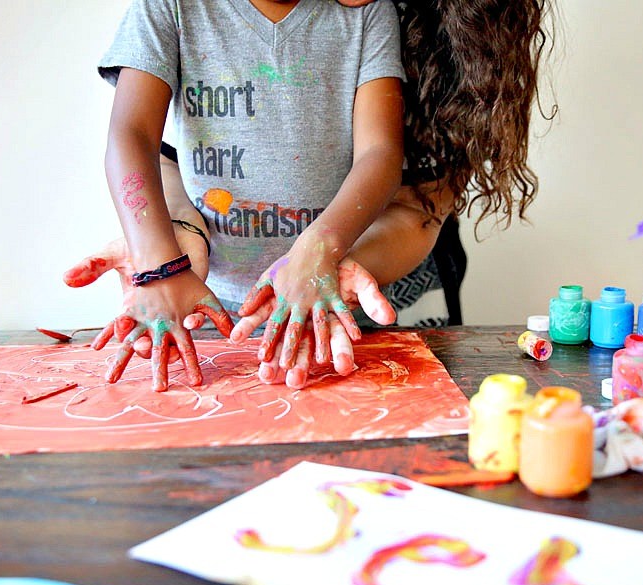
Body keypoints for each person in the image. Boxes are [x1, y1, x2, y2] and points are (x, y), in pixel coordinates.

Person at [70, 0, 553, 389]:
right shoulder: (174, 11)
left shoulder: (389, 24)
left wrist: (321, 255)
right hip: (226, 310)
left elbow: (400, 186)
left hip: (376, 298)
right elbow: (143, 142)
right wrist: (164, 254)